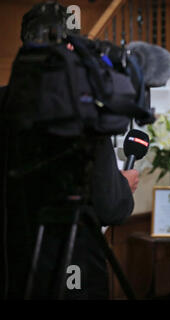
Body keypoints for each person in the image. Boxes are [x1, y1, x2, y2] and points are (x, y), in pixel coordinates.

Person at [0, 2, 138, 299]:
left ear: (26, 45)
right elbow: (108, 206)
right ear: (72, 48)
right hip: (72, 269)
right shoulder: (80, 113)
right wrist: (124, 187)